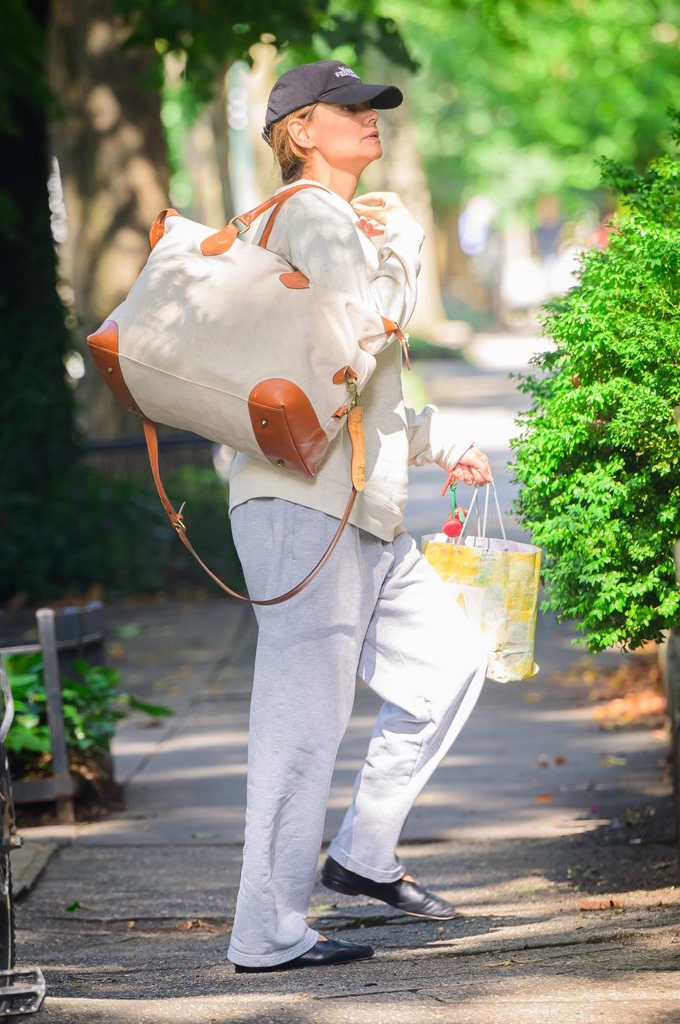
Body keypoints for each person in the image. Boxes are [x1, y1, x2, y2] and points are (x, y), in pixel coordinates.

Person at [227, 60, 492, 974]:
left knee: (450, 664)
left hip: (357, 503)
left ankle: (362, 856)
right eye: (347, 110)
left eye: (375, 108)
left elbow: (346, 387)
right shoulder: (311, 214)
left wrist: (430, 438)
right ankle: (265, 933)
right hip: (303, 506)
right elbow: (358, 331)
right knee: (300, 721)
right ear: (300, 131)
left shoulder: (332, 224)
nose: (369, 121)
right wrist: (404, 247)